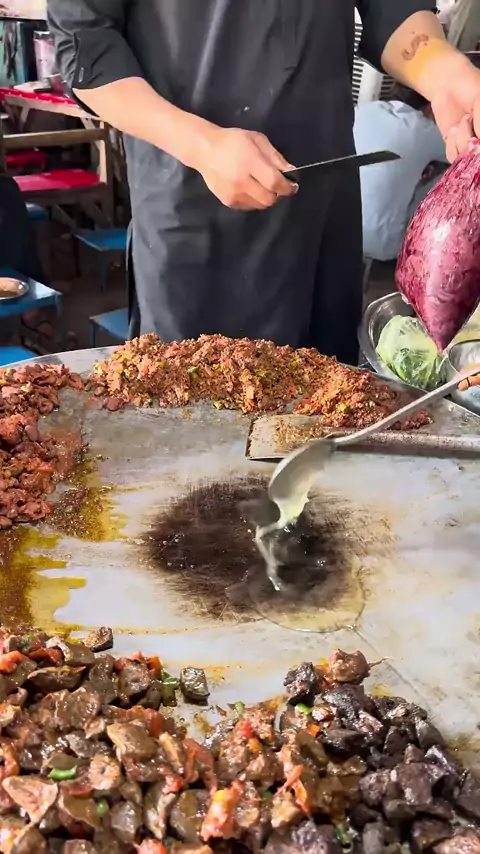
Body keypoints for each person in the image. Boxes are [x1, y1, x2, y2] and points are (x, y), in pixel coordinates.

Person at [47, 3, 480, 366]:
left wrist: (447, 76)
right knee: (196, 414)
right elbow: (85, 42)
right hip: (196, 217)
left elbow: (392, 8)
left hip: (325, 221)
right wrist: (201, 144)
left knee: (331, 410)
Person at [354, 84, 447, 262]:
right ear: (432, 105)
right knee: (452, 175)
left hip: (336, 231)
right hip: (383, 245)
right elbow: (468, 151)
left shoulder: (363, 111)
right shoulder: (424, 129)